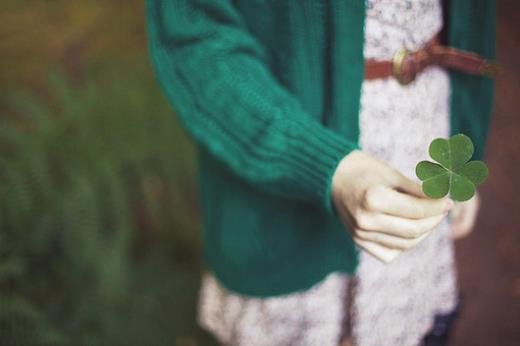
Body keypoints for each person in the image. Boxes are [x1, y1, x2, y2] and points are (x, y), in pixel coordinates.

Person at [146, 0, 496, 345]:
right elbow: (195, 36)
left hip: (422, 138)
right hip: (281, 175)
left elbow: (473, 22)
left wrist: (465, 147)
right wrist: (323, 164)